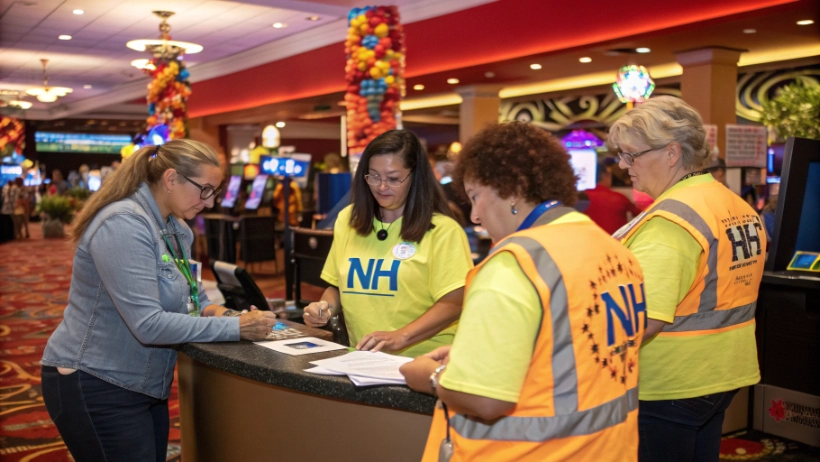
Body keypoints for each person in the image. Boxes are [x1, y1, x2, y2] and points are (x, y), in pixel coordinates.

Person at [401, 122, 646, 461]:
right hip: (608, 449)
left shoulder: (514, 263)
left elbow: (486, 399)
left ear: (512, 189)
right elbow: (566, 353)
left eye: (475, 197)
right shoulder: (614, 249)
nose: (474, 215)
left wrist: (430, 376)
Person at [40, 140, 278, 462]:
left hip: (144, 384)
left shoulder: (177, 228)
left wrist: (226, 312)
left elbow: (195, 299)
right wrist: (235, 327)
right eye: (204, 190)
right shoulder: (123, 223)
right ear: (170, 180)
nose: (208, 203)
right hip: (97, 380)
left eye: (214, 192)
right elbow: (148, 325)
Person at [608, 96, 766, 462]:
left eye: (631, 154)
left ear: (671, 153)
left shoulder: (671, 221)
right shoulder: (732, 203)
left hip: (671, 380)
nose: (622, 165)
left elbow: (643, 318)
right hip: (722, 369)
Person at [302, 130, 473, 357]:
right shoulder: (348, 220)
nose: (381, 187)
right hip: (363, 358)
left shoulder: (443, 230)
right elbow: (336, 286)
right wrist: (324, 308)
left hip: (425, 360)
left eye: (393, 179)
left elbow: (455, 301)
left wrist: (402, 335)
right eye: (373, 176)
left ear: (415, 177)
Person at [584, 158, 644, 234]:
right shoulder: (619, 198)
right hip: (616, 243)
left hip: (587, 242)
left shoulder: (581, 198)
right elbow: (641, 215)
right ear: (605, 176)